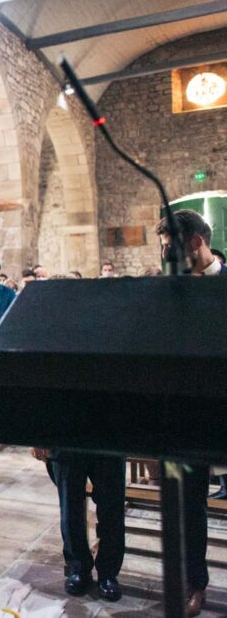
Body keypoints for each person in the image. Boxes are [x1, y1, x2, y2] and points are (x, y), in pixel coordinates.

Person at [156, 209, 225, 616]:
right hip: (190, 416)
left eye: (170, 245)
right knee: (189, 506)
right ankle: (195, 583)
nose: (167, 254)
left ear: (196, 243)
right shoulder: (171, 289)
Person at [31, 444, 126, 602]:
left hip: (110, 433)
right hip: (65, 436)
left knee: (112, 508)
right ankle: (79, 568)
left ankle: (108, 573)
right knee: (70, 510)